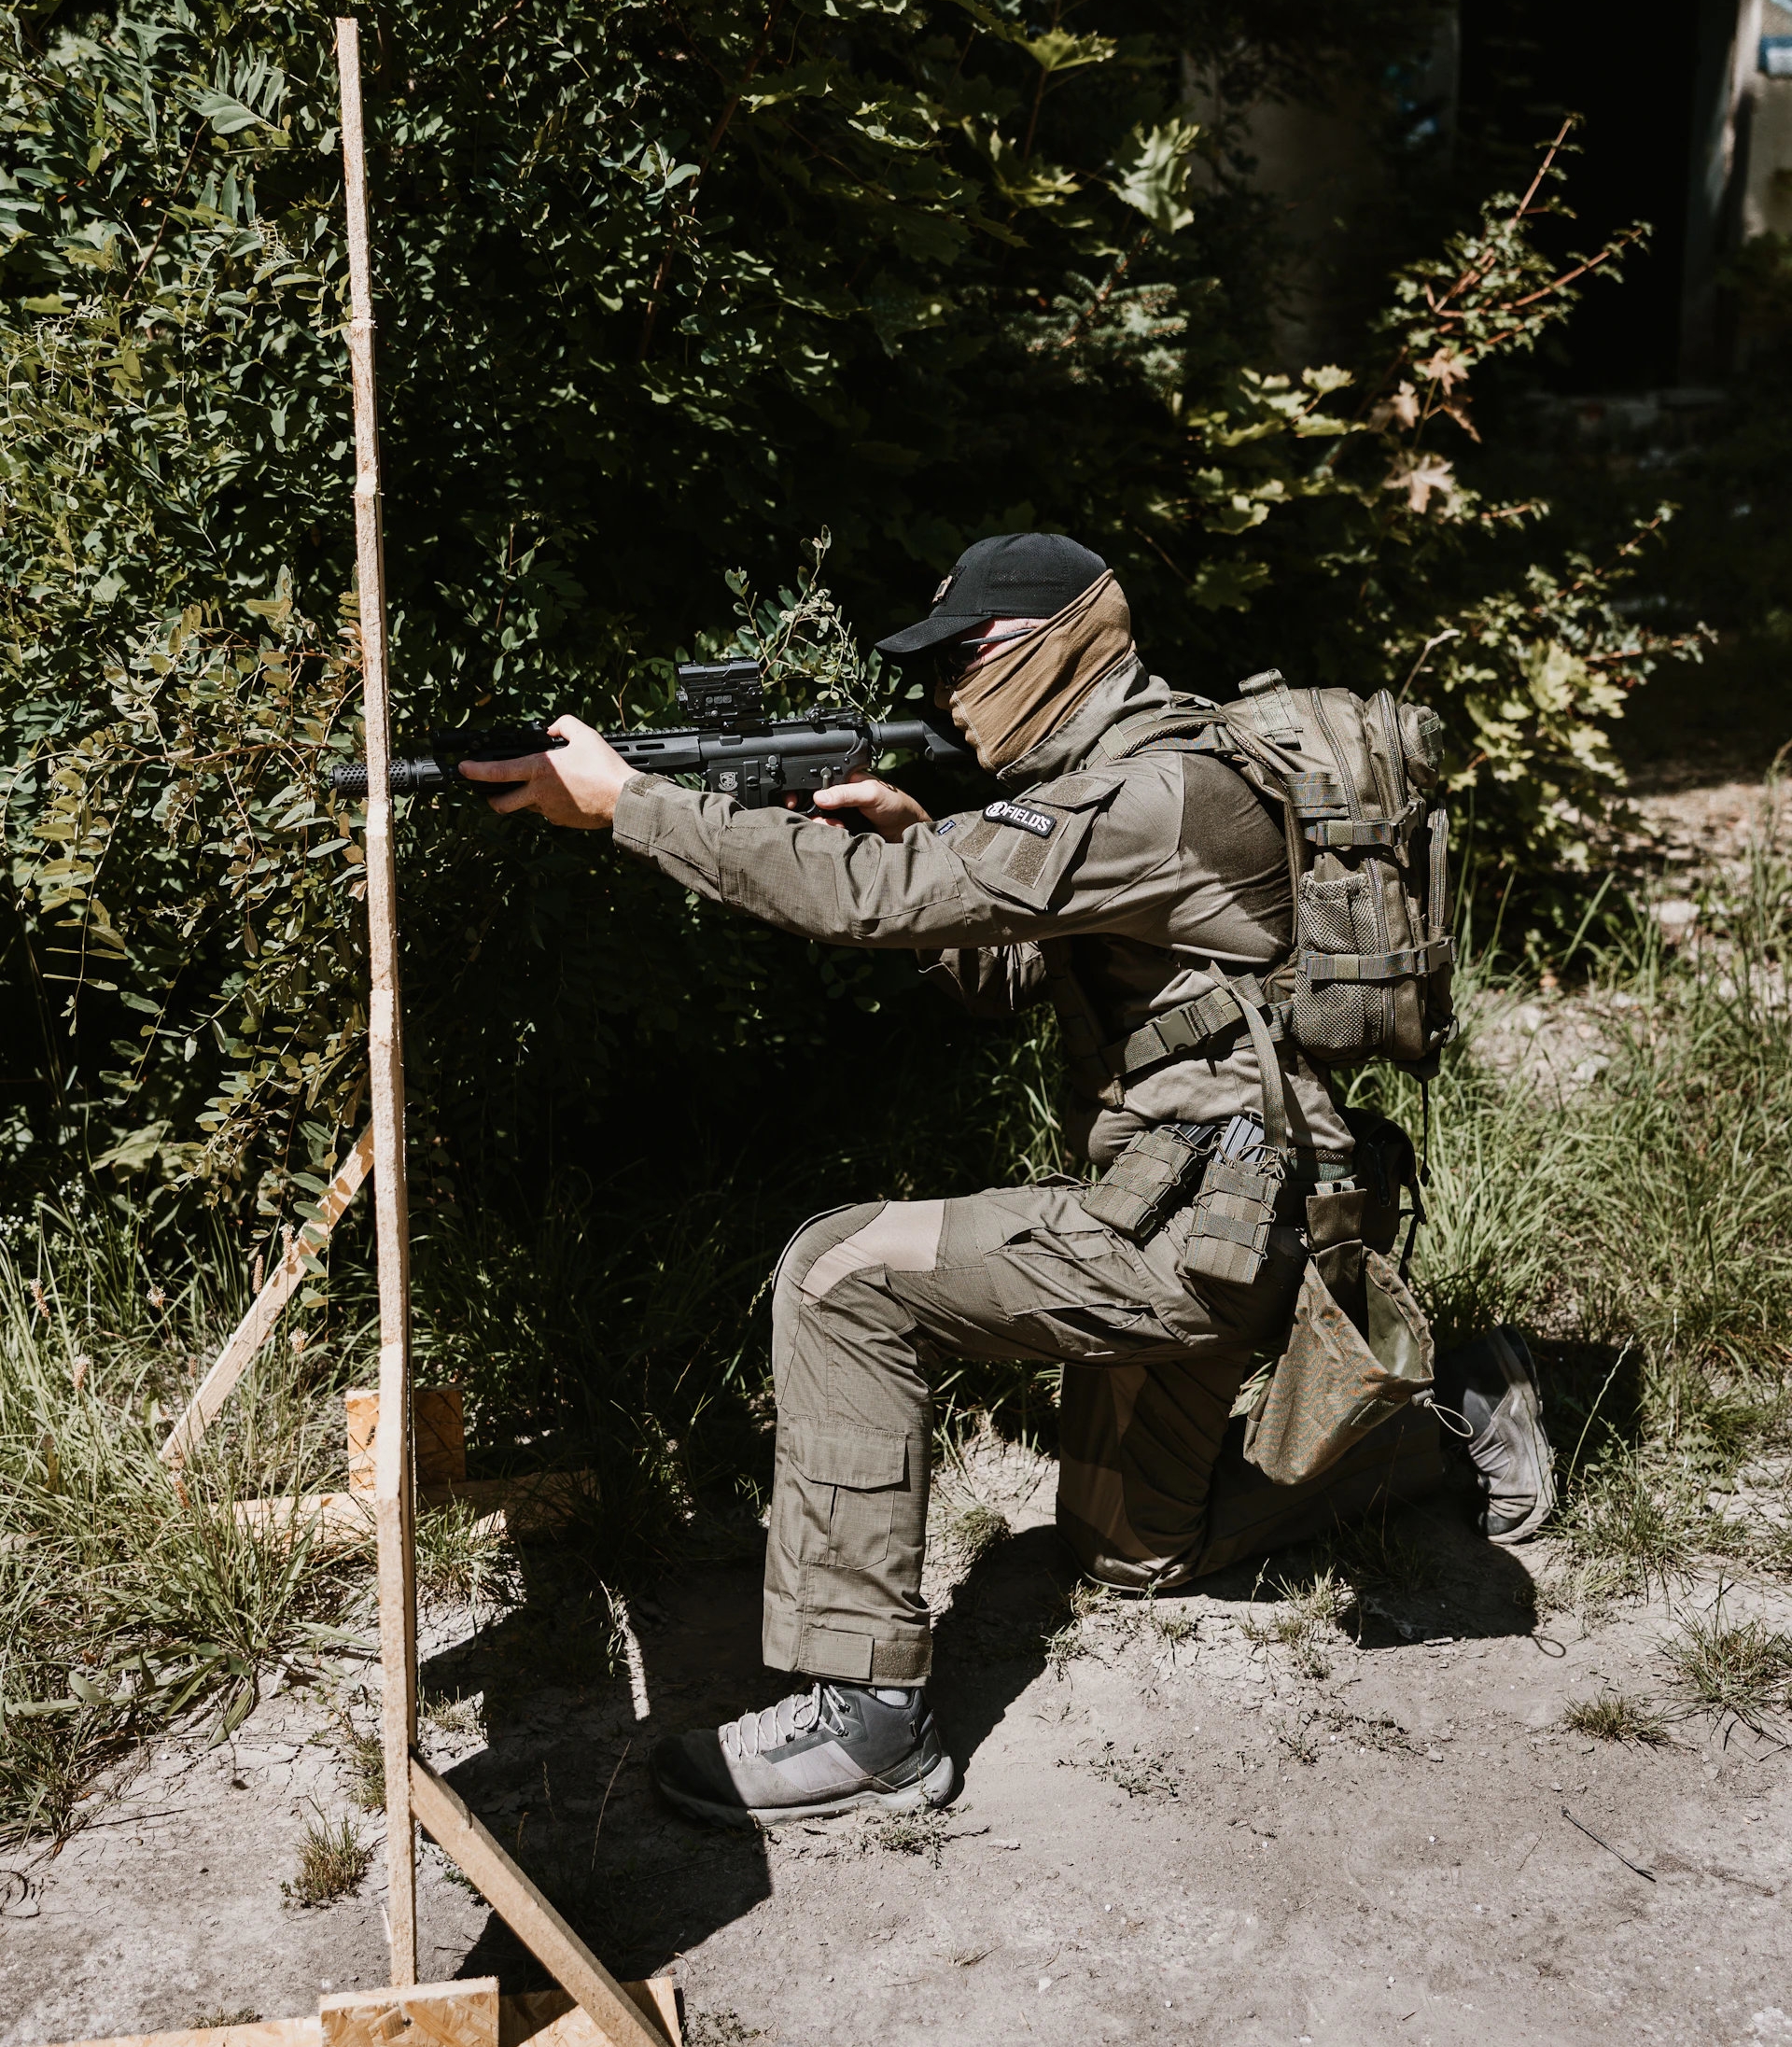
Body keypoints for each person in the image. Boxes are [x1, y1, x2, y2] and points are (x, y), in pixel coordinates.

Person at [465, 532, 1554, 1828]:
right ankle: (1454, 1410)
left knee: (839, 1273)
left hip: (1206, 1233)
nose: (948, 694)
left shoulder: (1157, 794)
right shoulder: (1138, 775)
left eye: (968, 655)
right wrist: (921, 829)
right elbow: (1007, 970)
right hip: (1244, 1219)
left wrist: (633, 805)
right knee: (1137, 1551)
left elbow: (883, 902)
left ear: (1058, 639)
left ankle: (864, 1718)